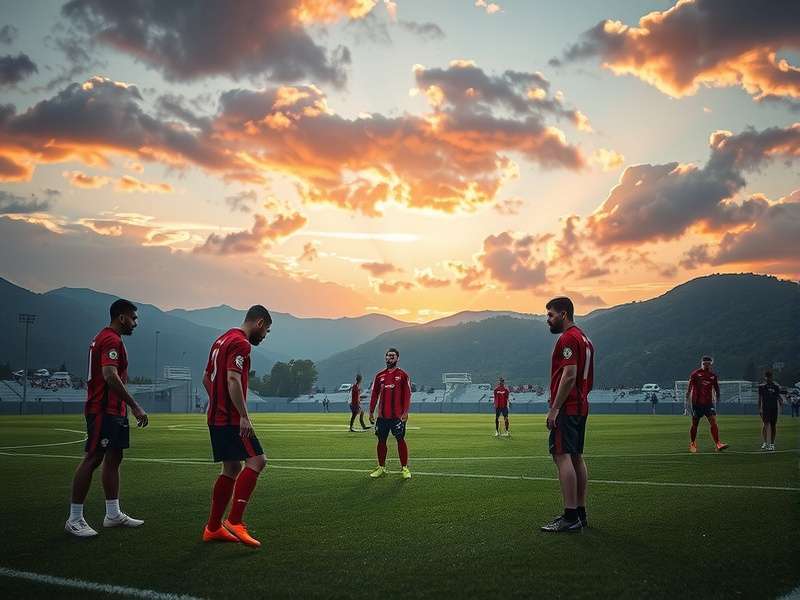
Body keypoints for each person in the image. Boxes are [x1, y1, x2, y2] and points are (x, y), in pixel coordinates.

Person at [65, 299, 148, 538]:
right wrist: (135, 406)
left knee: (114, 457)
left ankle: (113, 514)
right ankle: (74, 518)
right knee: (93, 458)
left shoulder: (109, 339)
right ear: (121, 317)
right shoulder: (110, 339)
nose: (135, 323)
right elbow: (110, 376)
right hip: (103, 409)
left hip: (115, 410)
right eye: (133, 318)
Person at [202, 305, 271, 548]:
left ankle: (212, 528)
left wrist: (217, 403)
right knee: (257, 460)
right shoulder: (241, 343)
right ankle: (235, 520)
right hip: (231, 418)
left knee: (231, 467)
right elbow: (232, 378)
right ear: (259, 323)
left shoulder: (221, 340)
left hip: (215, 416)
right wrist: (243, 415)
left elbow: (206, 377)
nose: (264, 336)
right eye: (267, 331)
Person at [541, 297, 594, 533]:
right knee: (576, 457)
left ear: (564, 314)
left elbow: (570, 374)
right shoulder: (585, 338)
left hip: (568, 407)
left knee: (562, 456)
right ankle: (580, 513)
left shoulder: (568, 338)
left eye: (550, 315)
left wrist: (555, 408)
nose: (548, 320)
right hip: (580, 405)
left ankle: (570, 515)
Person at [368, 348, 412, 480]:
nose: (390, 358)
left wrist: (405, 412)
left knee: (400, 439)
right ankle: (381, 467)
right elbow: (374, 394)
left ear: (397, 358)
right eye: (388, 356)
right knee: (381, 441)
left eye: (392, 356)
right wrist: (371, 411)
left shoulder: (403, 375)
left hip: (397, 416)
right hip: (382, 417)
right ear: (385, 358)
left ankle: (404, 468)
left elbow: (407, 394)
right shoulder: (379, 376)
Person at [685, 356, 728, 453]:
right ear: (702, 363)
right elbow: (690, 385)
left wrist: (718, 396)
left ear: (710, 364)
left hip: (708, 403)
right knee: (695, 424)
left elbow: (716, 387)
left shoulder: (713, 375)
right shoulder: (695, 374)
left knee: (713, 421)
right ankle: (693, 442)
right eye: (705, 364)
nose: (706, 365)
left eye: (708, 364)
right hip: (697, 403)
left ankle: (718, 444)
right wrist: (687, 396)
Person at [758, 370, 785, 451]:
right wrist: (759, 409)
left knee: (773, 426)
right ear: (765, 377)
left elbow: (779, 397)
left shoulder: (775, 387)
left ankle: (772, 444)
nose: (768, 378)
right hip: (765, 408)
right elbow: (759, 399)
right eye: (767, 377)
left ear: (771, 377)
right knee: (765, 424)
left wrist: (781, 404)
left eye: (770, 377)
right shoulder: (762, 387)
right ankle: (765, 442)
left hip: (774, 408)